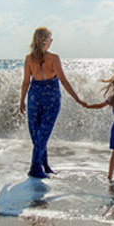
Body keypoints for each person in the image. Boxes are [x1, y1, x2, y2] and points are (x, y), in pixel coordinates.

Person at [20, 27, 86, 179]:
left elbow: (25, 82)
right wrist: (77, 98)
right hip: (51, 96)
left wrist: (22, 100)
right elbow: (63, 80)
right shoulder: (54, 58)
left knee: (38, 133)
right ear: (47, 42)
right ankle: (35, 167)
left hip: (34, 95)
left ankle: (44, 165)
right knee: (42, 133)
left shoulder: (29, 58)